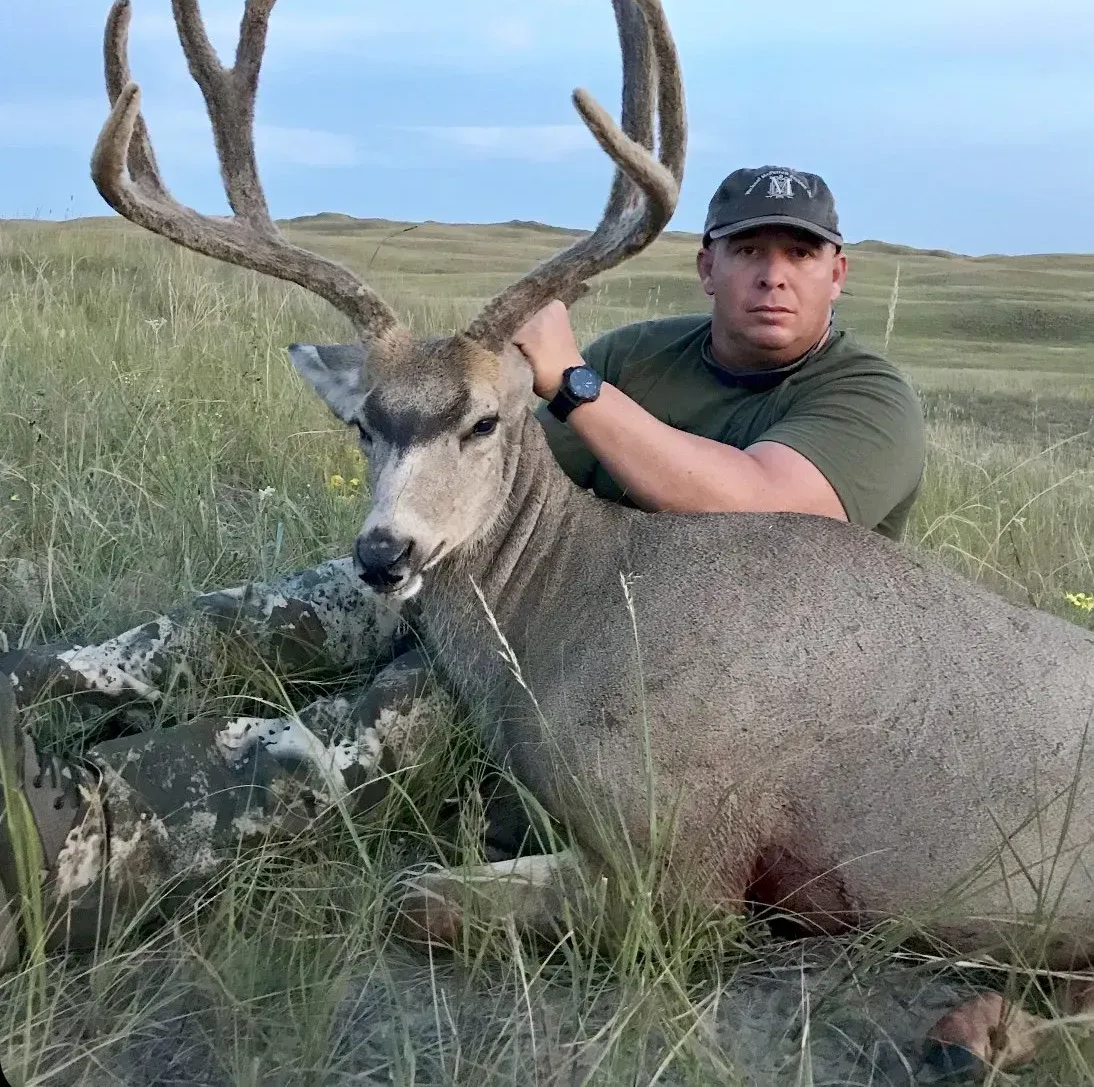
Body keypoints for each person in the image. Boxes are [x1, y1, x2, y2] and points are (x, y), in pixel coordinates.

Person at [0, 166, 924, 968]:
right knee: (295, 606)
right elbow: (506, 471)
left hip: (690, 678)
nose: (773, 274)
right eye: (749, 249)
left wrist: (570, 384)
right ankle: (45, 682)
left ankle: (78, 844)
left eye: (799, 254)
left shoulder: (866, 395)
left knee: (383, 725)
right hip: (543, 587)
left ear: (836, 272)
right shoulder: (646, 352)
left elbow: (768, 504)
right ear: (707, 264)